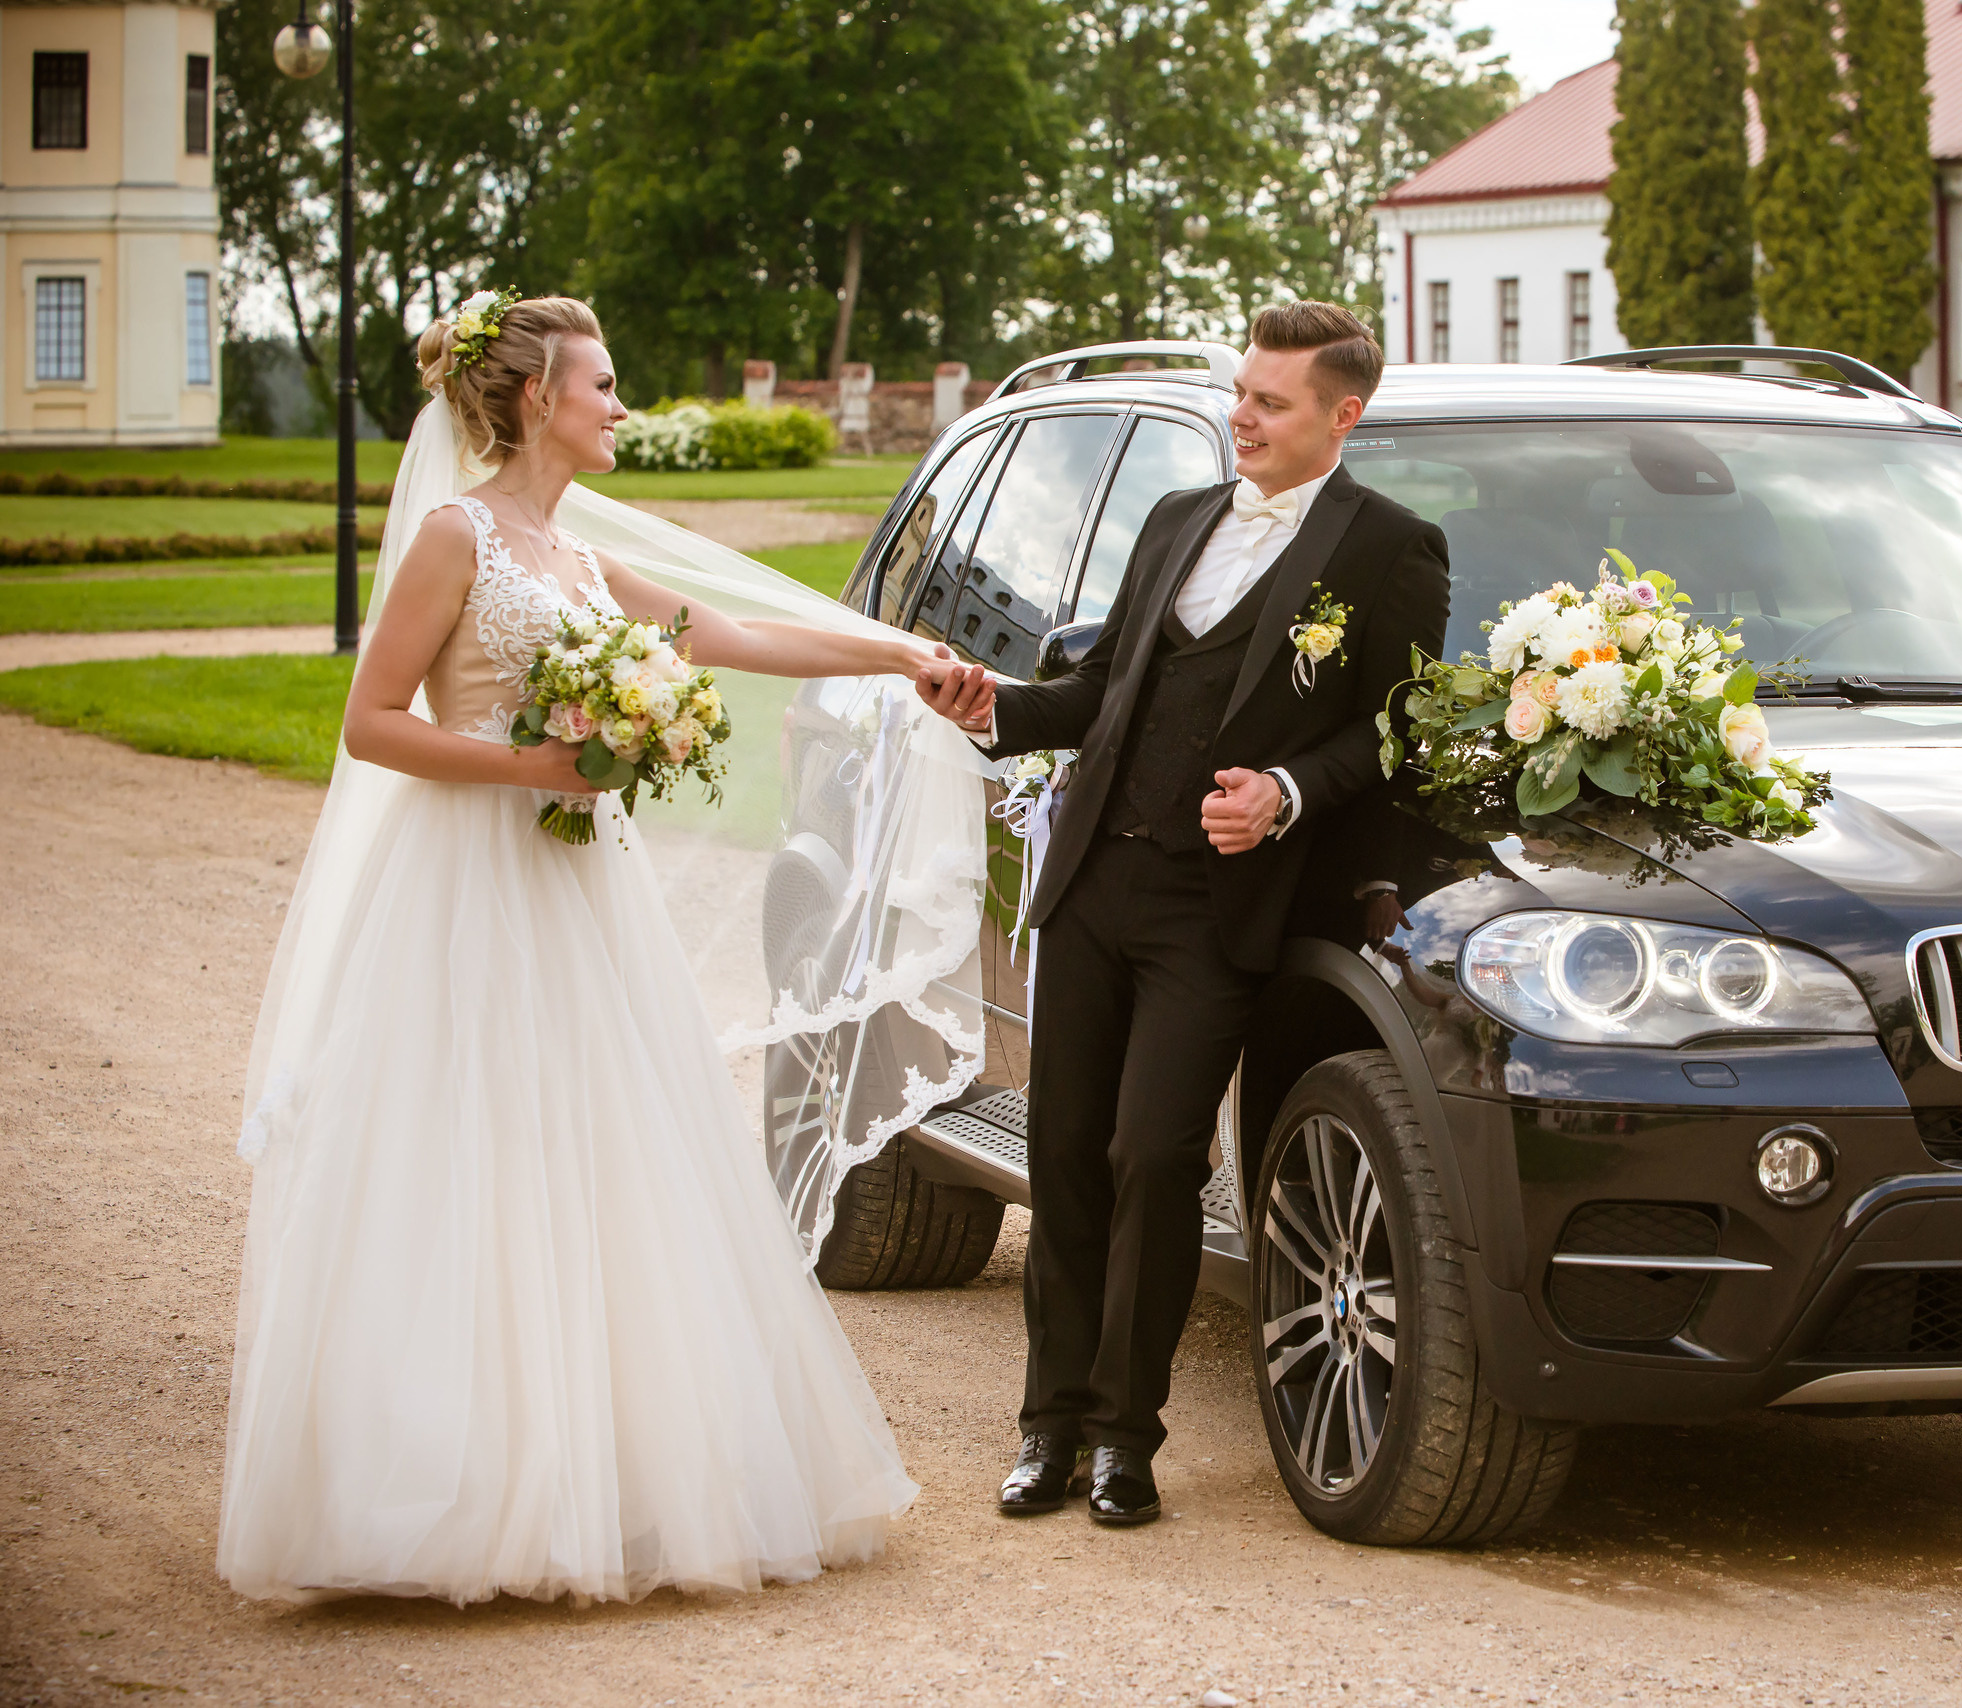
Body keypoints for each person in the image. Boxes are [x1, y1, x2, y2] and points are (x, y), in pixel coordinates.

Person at [218, 293, 998, 1606]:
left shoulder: (572, 553)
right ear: (537, 400)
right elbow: (370, 724)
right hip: (464, 882)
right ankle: (439, 1488)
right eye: (605, 387)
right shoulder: (458, 539)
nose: (620, 408)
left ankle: (615, 1478)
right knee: (464, 1154)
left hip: (580, 890)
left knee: (603, 1147)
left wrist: (904, 654)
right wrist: (521, 763)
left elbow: (736, 636)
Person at [919, 302, 1450, 1526]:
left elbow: (1398, 730)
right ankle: (1045, 1426)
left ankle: (1125, 1436)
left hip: (1219, 912)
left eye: (1270, 401)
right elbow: (1103, 689)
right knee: (1061, 1156)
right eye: (1242, 392)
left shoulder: (1391, 548)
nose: (1241, 416)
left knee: (1154, 1157)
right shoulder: (1176, 520)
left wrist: (1288, 791)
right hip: (1097, 882)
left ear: (1342, 415)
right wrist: (990, 704)